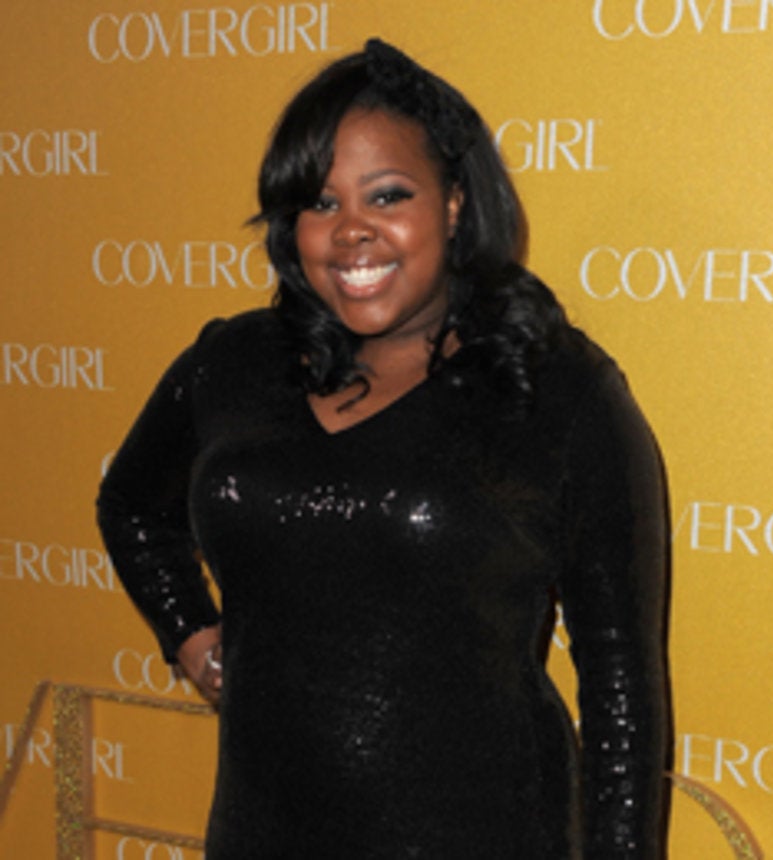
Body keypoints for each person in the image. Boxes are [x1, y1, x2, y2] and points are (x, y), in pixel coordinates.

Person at [97, 38, 670, 859]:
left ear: (455, 203)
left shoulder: (558, 390)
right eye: (320, 203)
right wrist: (193, 637)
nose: (351, 232)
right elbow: (130, 504)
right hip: (261, 834)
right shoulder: (234, 361)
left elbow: (621, 683)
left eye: (388, 195)